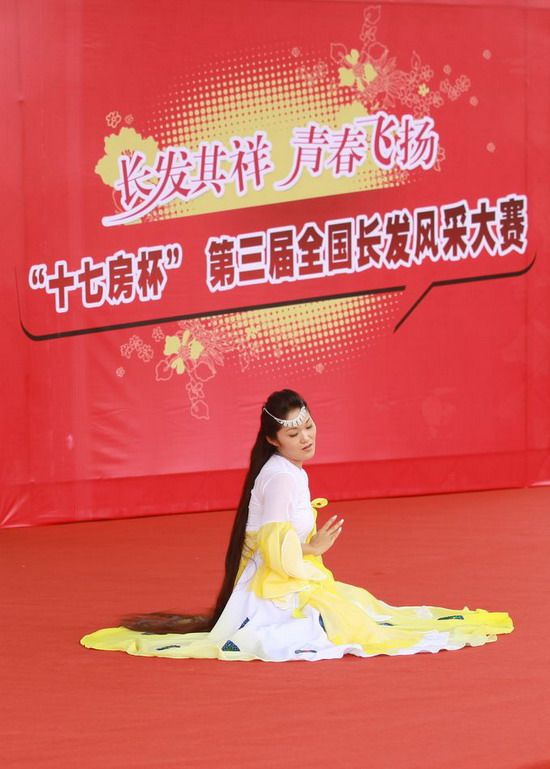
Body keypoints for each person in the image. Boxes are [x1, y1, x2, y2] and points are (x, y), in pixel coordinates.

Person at [80, 388, 514, 661]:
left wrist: (307, 548)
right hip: (273, 590)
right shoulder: (283, 477)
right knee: (350, 624)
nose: (306, 437)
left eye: (308, 425)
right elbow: (276, 552)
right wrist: (312, 548)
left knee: (362, 614)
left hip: (277, 578)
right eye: (294, 433)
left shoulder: (283, 471)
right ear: (273, 439)